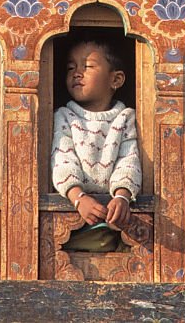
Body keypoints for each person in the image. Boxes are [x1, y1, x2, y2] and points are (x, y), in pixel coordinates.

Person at [51, 39, 141, 251]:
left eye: (88, 66)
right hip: (74, 218)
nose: (77, 73)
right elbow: (62, 160)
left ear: (116, 79)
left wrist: (122, 197)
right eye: (71, 68)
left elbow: (129, 161)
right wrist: (78, 198)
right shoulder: (64, 116)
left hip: (111, 220)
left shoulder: (125, 118)